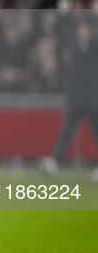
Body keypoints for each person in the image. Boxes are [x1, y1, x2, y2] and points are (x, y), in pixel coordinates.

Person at [40, 9, 98, 180]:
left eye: (86, 28)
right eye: (81, 27)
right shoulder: (74, 44)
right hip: (75, 98)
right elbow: (60, 31)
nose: (83, 30)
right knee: (66, 132)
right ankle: (53, 162)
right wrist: (62, 12)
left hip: (94, 98)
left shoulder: (94, 45)